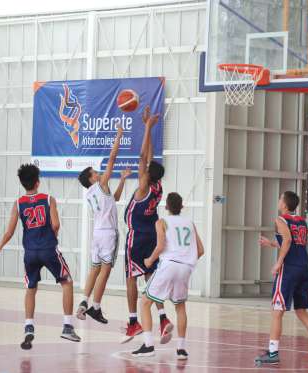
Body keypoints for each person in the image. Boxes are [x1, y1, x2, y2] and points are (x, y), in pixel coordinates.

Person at [0, 164, 80, 350]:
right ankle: (67, 326)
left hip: (30, 253)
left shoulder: (18, 203)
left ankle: (29, 326)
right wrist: (52, 237)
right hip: (48, 248)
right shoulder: (49, 199)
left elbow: (10, 231)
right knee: (67, 282)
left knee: (31, 288)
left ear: (23, 183)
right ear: (38, 182)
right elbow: (56, 224)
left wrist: (0, 245)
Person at [256, 191, 308, 366]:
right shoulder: (301, 221)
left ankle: (273, 352)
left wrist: (278, 263)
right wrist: (272, 244)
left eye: (279, 198)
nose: (278, 201)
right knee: (301, 310)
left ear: (284, 203)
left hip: (289, 270)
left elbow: (288, 241)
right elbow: (296, 243)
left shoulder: (280, 220)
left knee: (277, 311)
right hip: (302, 269)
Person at [131, 193, 205, 360]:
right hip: (186, 267)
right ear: (182, 206)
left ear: (166, 207)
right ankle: (181, 349)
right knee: (180, 307)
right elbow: (200, 250)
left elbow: (161, 245)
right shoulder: (190, 224)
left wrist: (149, 260)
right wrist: (186, 260)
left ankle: (148, 345)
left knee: (145, 302)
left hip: (169, 264)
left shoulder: (161, 222)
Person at [122, 105, 172, 343]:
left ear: (147, 174)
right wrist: (148, 128)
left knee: (131, 277)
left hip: (136, 236)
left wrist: (147, 128)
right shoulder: (158, 186)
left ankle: (133, 322)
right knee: (151, 277)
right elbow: (150, 159)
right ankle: (163, 317)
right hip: (150, 237)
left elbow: (143, 158)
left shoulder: (143, 186)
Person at [76, 126, 131, 323]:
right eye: (95, 172)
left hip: (97, 233)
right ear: (92, 178)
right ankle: (96, 307)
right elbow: (112, 157)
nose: (98, 172)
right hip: (108, 234)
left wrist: (123, 180)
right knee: (105, 271)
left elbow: (113, 199)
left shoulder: (90, 193)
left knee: (94, 269)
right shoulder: (100, 184)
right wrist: (118, 136)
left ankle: (83, 301)